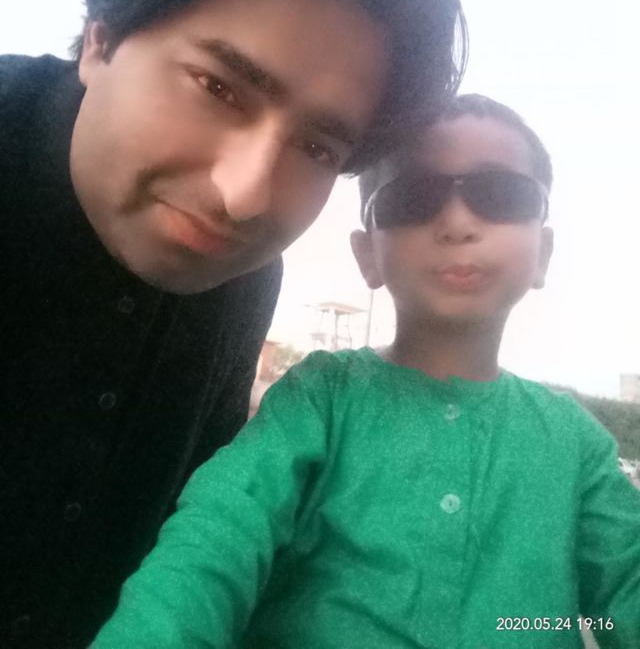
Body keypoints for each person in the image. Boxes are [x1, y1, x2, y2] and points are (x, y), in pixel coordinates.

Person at [0, 0, 467, 648]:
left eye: (317, 146)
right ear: (102, 37)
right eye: (219, 87)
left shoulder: (246, 280)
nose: (246, 194)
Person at [92, 94, 640, 648]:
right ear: (367, 254)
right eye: (412, 198)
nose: (457, 222)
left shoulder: (577, 445)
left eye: (500, 194)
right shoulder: (319, 400)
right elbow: (214, 542)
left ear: (543, 252)